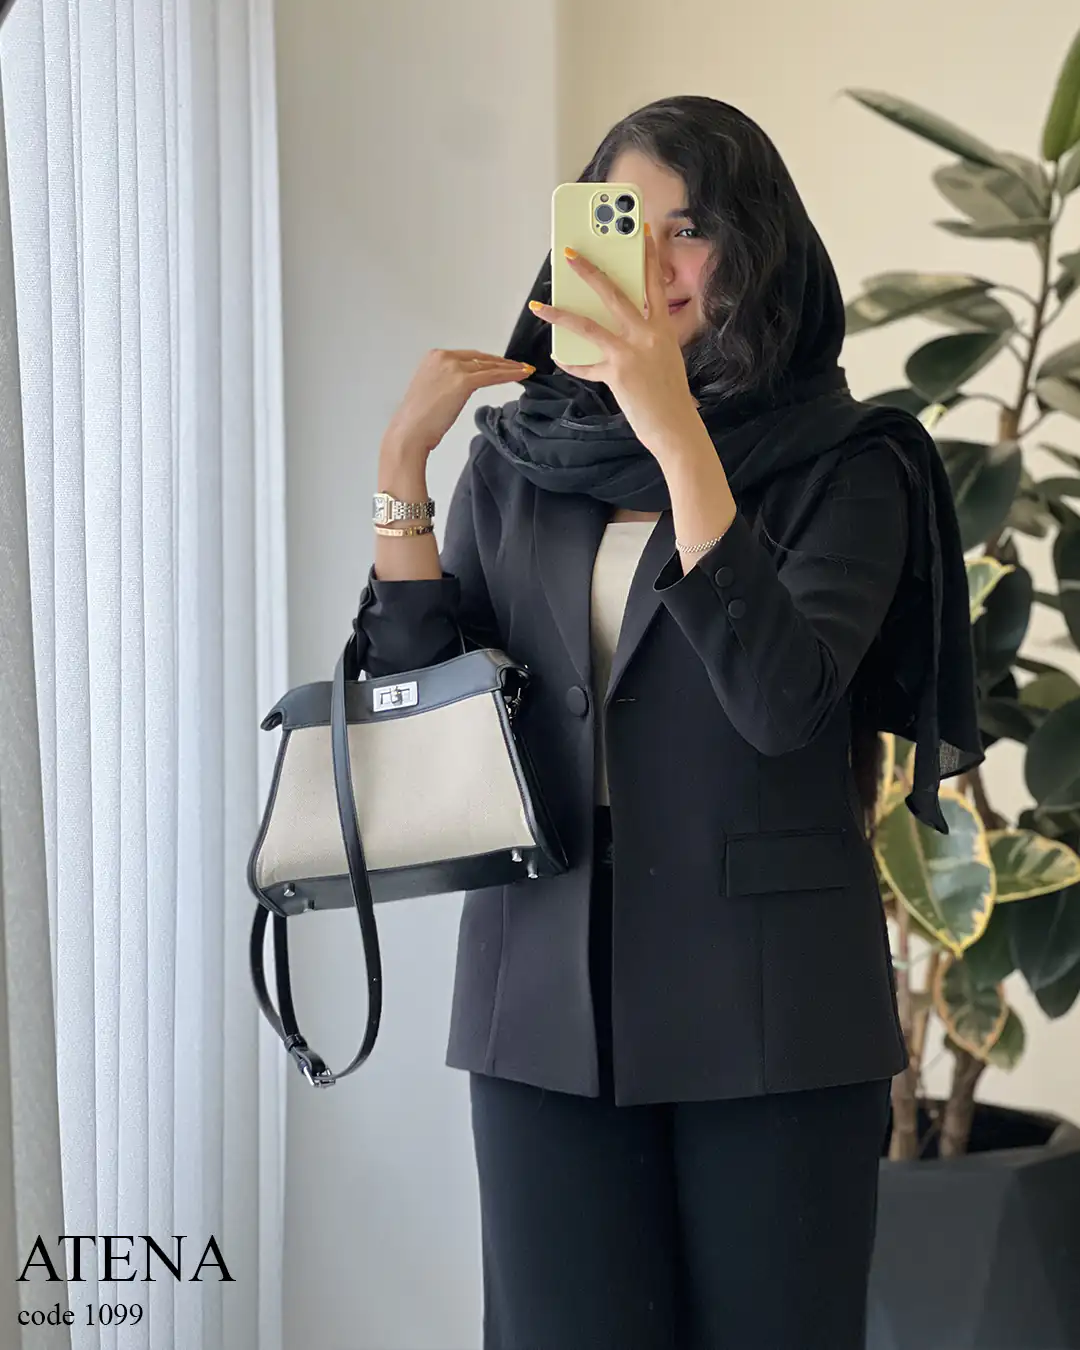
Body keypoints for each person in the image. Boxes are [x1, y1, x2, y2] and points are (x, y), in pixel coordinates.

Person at [353, 95, 983, 1350]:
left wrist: (675, 430)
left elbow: (781, 701)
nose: (653, 263)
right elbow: (430, 723)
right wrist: (401, 476)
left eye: (690, 230)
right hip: (541, 1001)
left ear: (755, 252)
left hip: (774, 1018)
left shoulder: (853, 461)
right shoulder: (520, 455)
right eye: (621, 223)